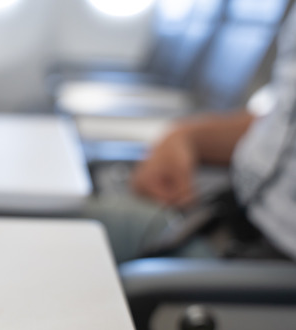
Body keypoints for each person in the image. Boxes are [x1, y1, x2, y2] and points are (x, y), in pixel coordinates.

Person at [88, 8, 296, 264]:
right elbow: (283, 122)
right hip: (222, 215)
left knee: (56, 232)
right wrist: (186, 136)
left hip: (267, 261)